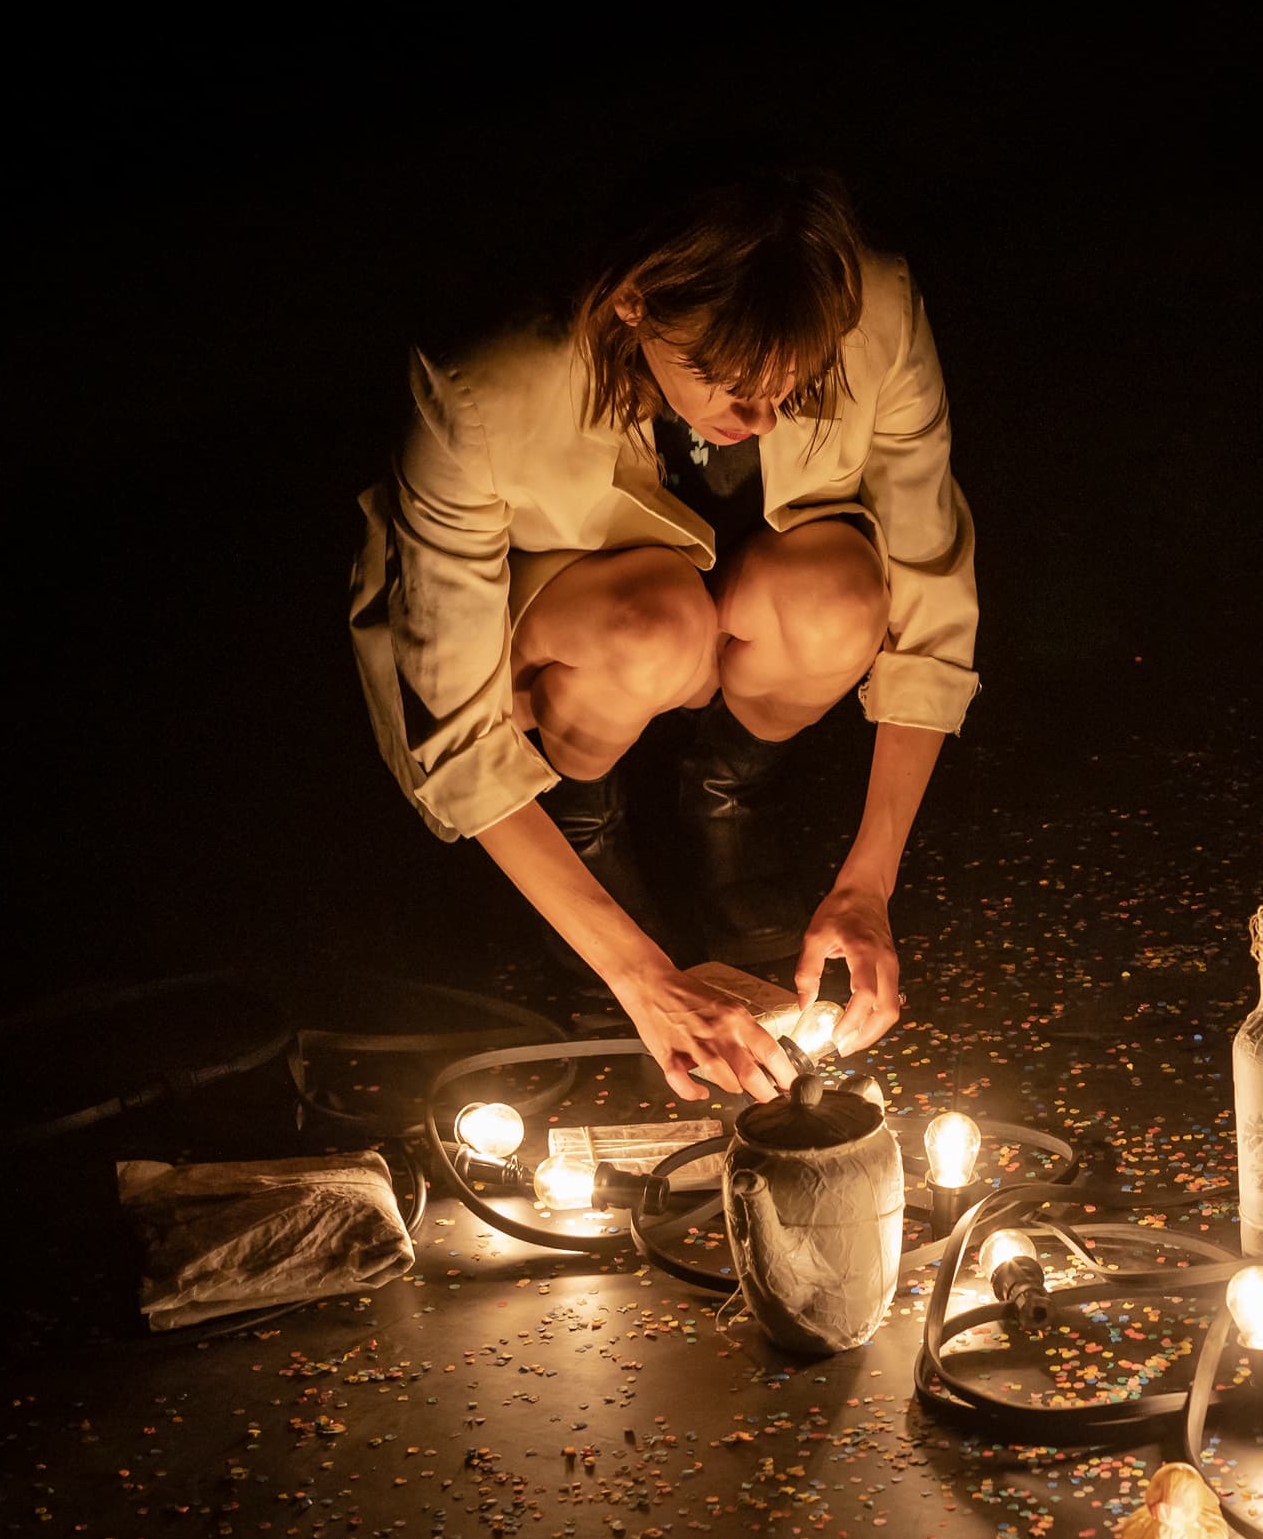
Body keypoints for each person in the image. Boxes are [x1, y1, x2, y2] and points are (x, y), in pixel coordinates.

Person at [348, 172, 978, 1102]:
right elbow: (455, 736)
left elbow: (932, 601)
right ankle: (589, 819)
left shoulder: (874, 309)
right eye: (726, 381)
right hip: (600, 619)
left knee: (839, 598)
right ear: (634, 303)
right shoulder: (479, 391)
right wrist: (639, 976)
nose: (761, 419)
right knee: (654, 625)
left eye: (793, 384)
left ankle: (722, 797)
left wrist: (870, 883)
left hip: (761, 588)